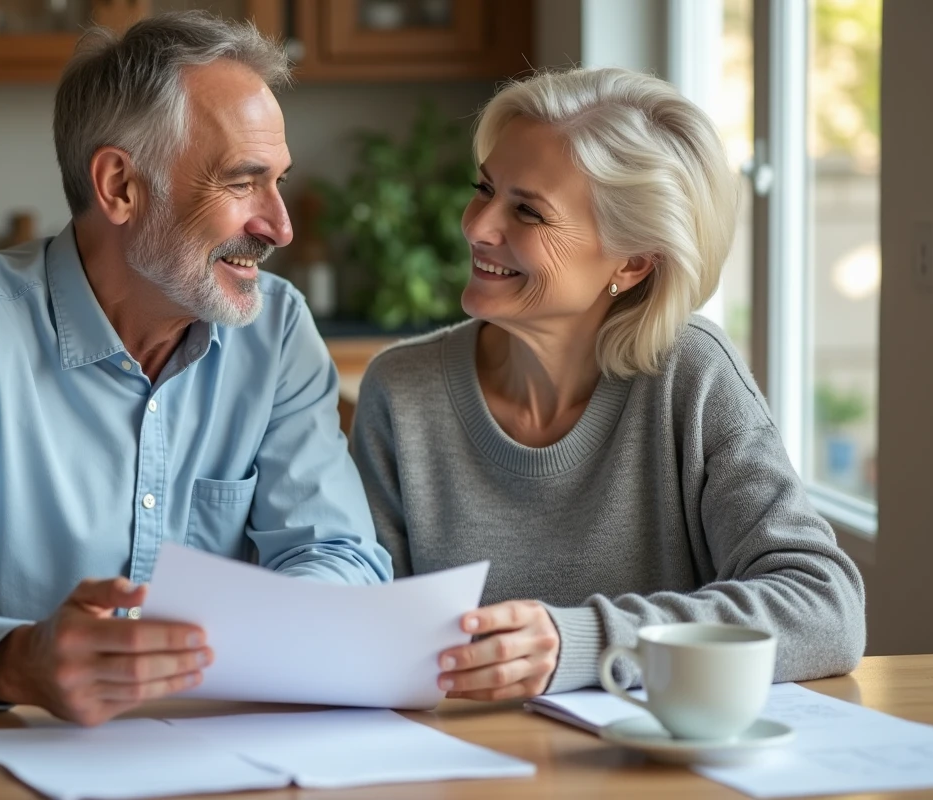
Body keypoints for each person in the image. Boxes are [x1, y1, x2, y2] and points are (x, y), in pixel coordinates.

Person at [0, 12, 391, 726]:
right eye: (244, 182)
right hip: (0, 759)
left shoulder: (277, 330)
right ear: (119, 185)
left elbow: (338, 555)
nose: (280, 225)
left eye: (279, 182)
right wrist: (17, 659)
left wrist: (251, 641)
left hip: (220, 754)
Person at [351, 67, 865, 701]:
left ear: (632, 261)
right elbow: (365, 630)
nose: (478, 226)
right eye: (484, 189)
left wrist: (588, 641)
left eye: (527, 211)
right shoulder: (400, 392)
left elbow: (825, 607)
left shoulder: (690, 376)